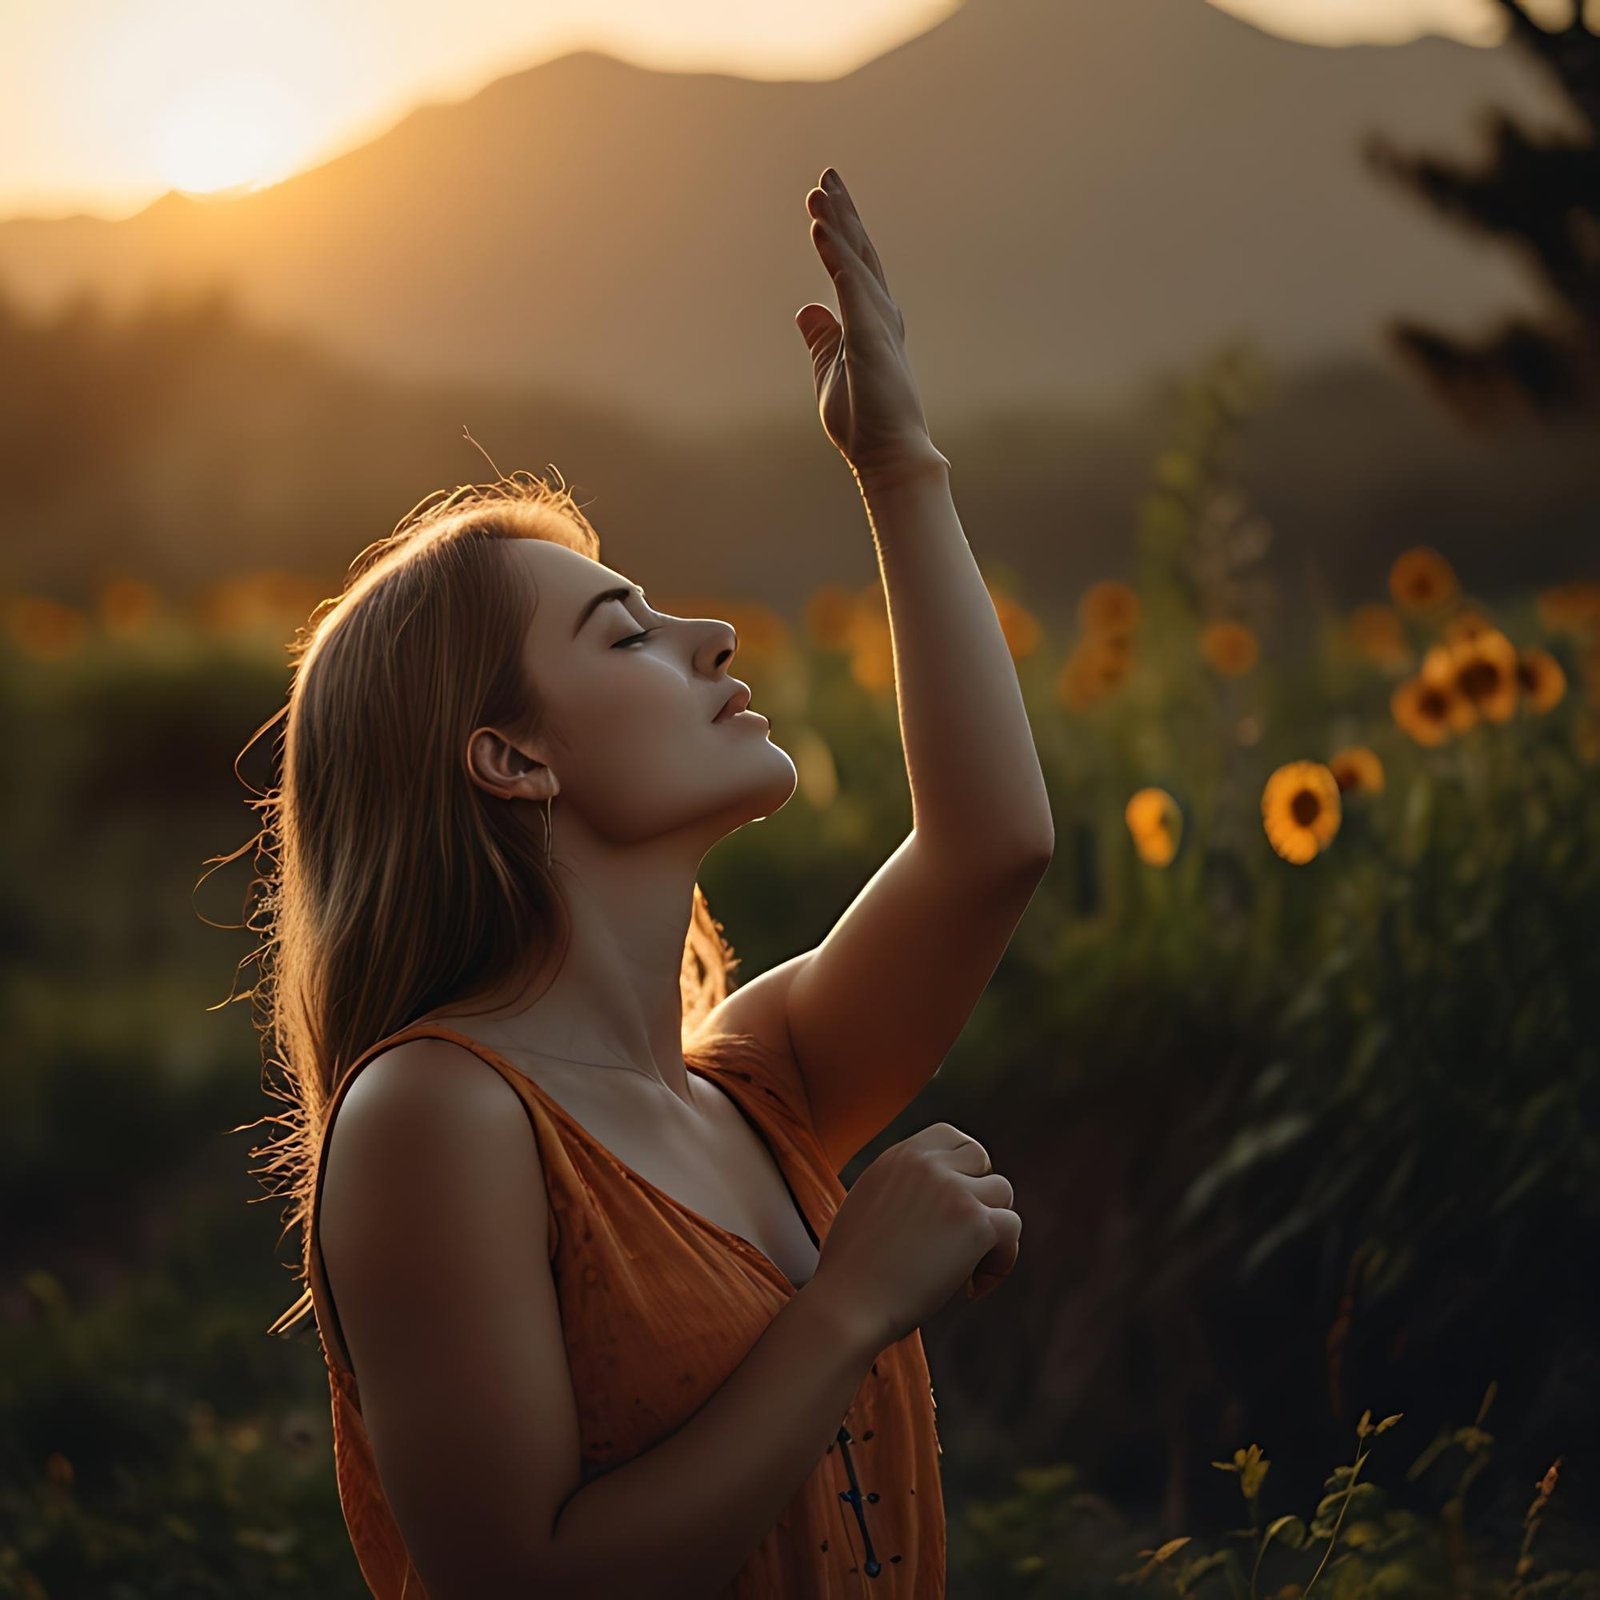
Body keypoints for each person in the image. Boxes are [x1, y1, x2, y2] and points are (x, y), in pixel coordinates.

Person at [248, 167, 1051, 1596]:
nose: (715, 634)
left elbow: (992, 848)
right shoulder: (438, 1115)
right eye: (625, 635)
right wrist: (850, 1301)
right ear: (507, 760)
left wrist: (898, 464)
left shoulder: (754, 1085)